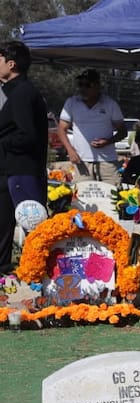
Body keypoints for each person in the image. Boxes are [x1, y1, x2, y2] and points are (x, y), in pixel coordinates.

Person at [0, 40, 48, 272]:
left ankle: (40, 272)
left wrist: (3, 141)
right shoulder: (14, 92)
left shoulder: (22, 93)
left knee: (33, 225)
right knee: (4, 222)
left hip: (23, 171)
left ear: (11, 64)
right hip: (12, 170)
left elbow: (27, 135)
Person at [58, 68, 126, 185]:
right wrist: (70, 150)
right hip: (82, 161)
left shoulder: (110, 104)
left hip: (107, 161)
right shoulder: (72, 102)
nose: (83, 89)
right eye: (80, 84)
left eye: (87, 85)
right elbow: (61, 129)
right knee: (83, 198)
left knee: (113, 195)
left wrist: (108, 141)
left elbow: (123, 131)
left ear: (97, 86)